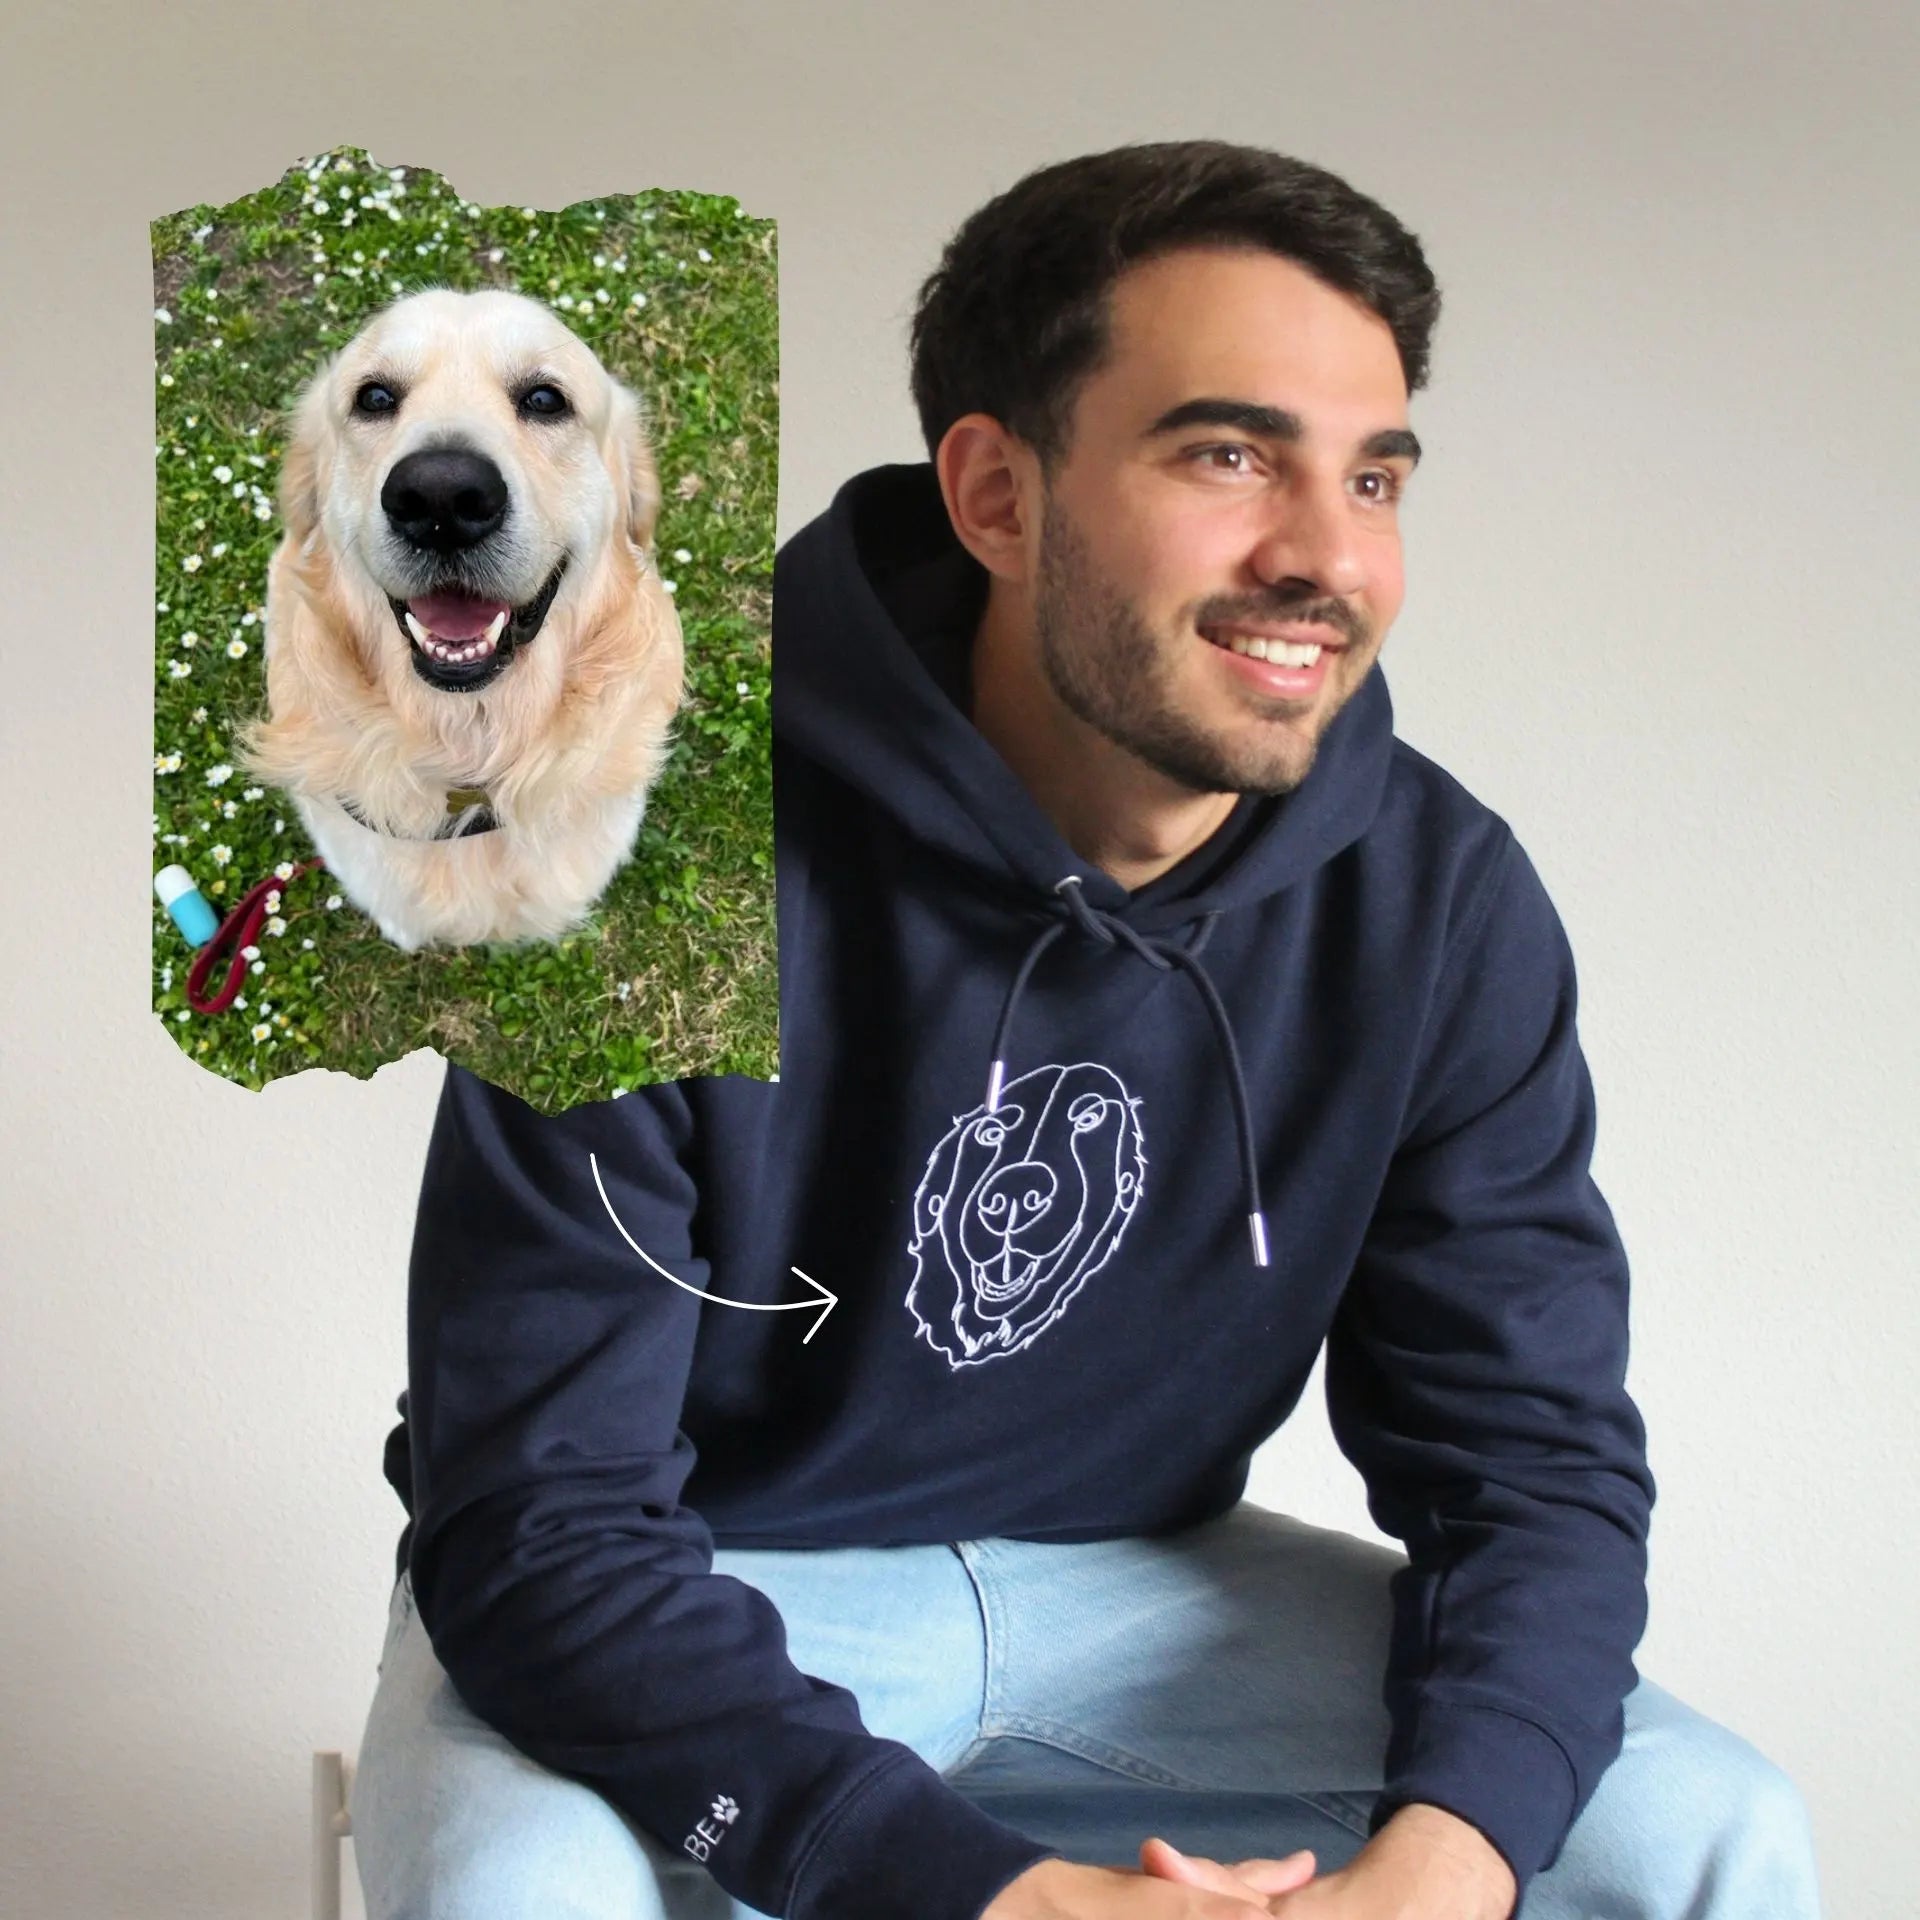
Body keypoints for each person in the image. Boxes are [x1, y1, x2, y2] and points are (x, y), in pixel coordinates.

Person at [350, 141, 1823, 1919]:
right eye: (1227, 455)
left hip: (1153, 1595)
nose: (1325, 554)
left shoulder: (1438, 896)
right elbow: (539, 1522)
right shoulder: (630, 858)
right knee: (530, 1902)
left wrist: (1449, 1864)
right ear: (996, 494)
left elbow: (1530, 1461)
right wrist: (970, 1892)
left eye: (1373, 476)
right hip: (682, 1593)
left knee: (1709, 1835)